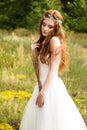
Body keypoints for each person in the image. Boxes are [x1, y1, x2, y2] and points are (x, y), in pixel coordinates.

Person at [19, 10, 87, 130]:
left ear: (56, 28)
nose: (45, 29)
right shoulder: (44, 41)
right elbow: (39, 69)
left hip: (50, 88)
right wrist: (33, 53)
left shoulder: (54, 41)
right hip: (41, 85)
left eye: (50, 27)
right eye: (44, 24)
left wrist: (43, 93)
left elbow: (53, 71)